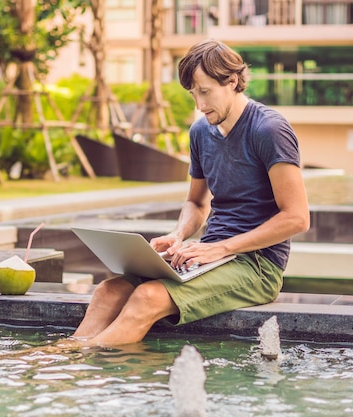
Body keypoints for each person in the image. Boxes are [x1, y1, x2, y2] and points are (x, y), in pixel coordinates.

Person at [72, 39, 310, 346]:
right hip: (208, 256)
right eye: (193, 93)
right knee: (109, 290)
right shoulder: (200, 132)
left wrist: (221, 248)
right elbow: (197, 203)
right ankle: (68, 356)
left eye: (205, 91)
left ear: (233, 81)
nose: (199, 104)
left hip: (257, 265)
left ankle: (74, 366)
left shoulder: (268, 129)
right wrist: (179, 235)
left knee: (147, 296)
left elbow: (297, 218)